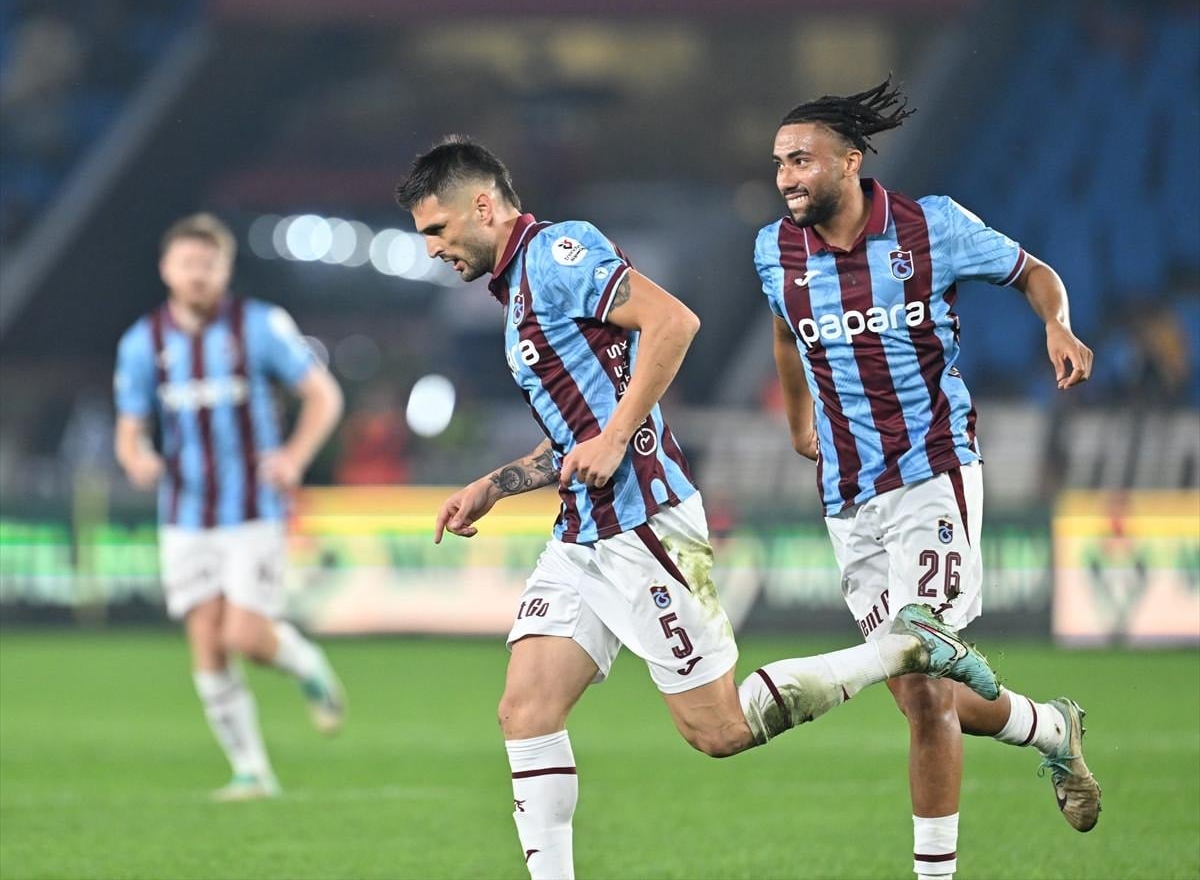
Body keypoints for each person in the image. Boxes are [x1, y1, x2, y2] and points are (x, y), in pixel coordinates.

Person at [395, 135, 1001, 880]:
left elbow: (673, 322)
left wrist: (616, 437)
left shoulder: (556, 255)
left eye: (436, 229)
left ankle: (903, 649)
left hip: (642, 521)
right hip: (583, 530)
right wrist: (494, 485)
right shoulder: (517, 285)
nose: (431, 248)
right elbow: (579, 435)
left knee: (719, 730)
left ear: (483, 206)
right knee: (524, 709)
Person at [755, 78, 1102, 880]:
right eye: (779, 163)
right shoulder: (775, 250)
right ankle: (1053, 728)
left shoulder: (930, 226)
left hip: (930, 472)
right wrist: (799, 418)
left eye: (802, 160)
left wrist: (1058, 324)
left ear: (850, 161)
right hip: (847, 497)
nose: (786, 177)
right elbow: (783, 330)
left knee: (924, 662)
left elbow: (1033, 271)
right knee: (923, 691)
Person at [113, 213, 346, 801]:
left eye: (208, 263)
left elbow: (323, 395)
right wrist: (138, 459)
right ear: (166, 269)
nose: (197, 274)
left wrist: (294, 457)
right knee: (207, 641)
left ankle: (306, 663)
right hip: (185, 515)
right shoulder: (143, 341)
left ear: (225, 269)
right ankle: (251, 771)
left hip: (253, 510)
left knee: (245, 635)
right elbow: (129, 429)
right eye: (187, 263)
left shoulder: (260, 326)